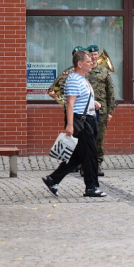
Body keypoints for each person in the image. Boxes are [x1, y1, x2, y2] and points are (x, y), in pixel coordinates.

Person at [42, 50, 106, 198]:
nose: (92, 63)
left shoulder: (83, 79)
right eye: (88, 61)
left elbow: (80, 100)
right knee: (90, 155)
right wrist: (69, 125)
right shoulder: (74, 79)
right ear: (79, 64)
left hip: (86, 119)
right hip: (80, 121)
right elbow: (70, 104)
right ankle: (91, 187)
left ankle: (52, 179)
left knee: (78, 156)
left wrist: (93, 103)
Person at [86, 45, 115, 177]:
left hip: (101, 111)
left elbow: (111, 92)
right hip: (85, 111)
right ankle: (84, 165)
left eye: (96, 54)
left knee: (99, 139)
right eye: (91, 55)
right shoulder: (82, 71)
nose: (93, 57)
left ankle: (97, 165)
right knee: (86, 138)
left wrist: (110, 111)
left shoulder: (104, 71)